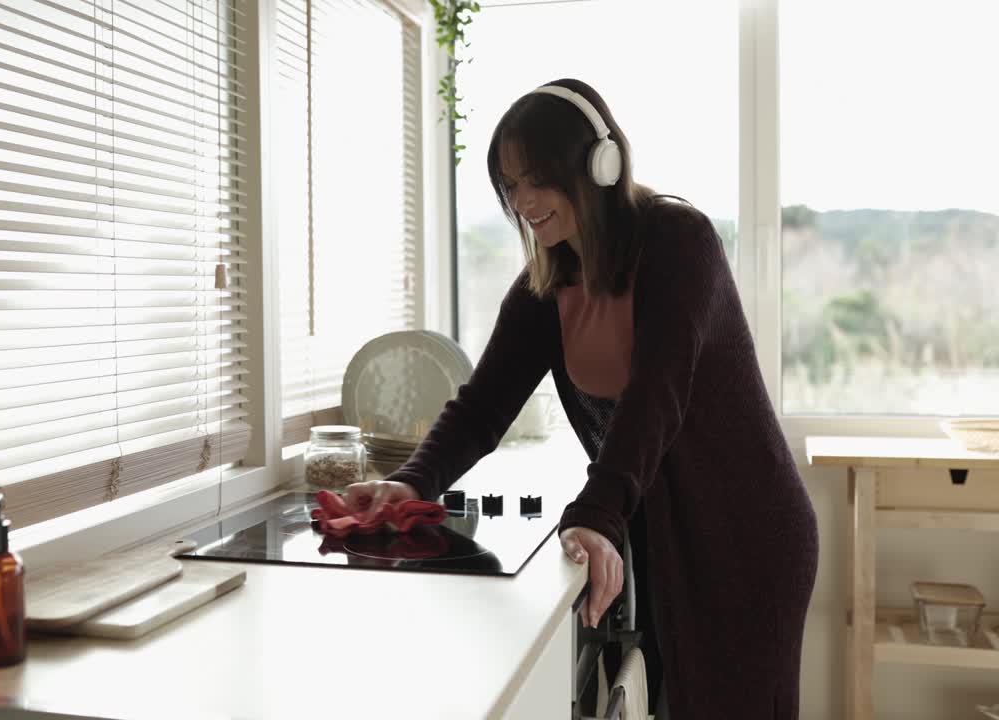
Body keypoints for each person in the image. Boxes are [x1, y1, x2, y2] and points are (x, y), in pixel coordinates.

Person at [342, 78, 819, 719]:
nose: (523, 200)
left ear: (600, 164)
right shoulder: (548, 281)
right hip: (664, 537)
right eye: (510, 184)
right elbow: (481, 409)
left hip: (747, 536)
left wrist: (595, 513)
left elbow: (659, 398)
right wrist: (411, 481)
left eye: (537, 178)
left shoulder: (680, 244)